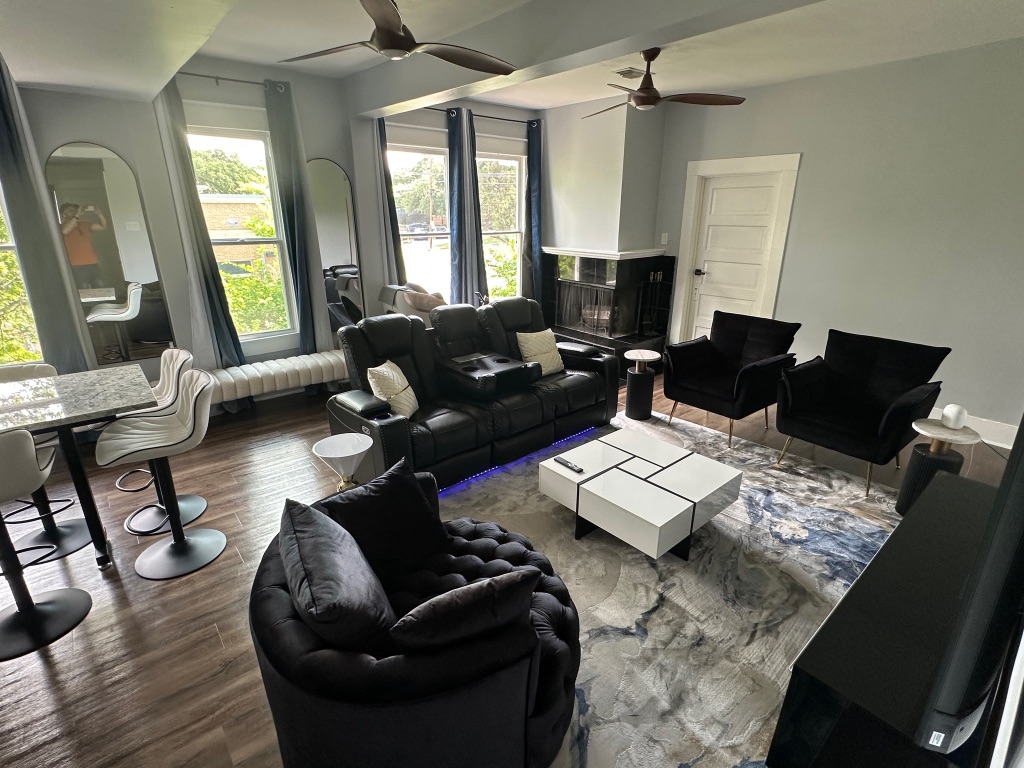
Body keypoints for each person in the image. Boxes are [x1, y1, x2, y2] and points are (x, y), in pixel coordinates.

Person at [60, 202, 107, 289]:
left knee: (100, 286)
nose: (73, 212)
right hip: (76, 265)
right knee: (82, 288)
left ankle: (101, 303)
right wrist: (77, 215)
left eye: (75, 210)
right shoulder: (61, 226)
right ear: (64, 215)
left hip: (93, 262)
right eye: (70, 211)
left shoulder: (85, 224)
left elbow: (102, 227)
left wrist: (99, 214)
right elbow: (65, 231)